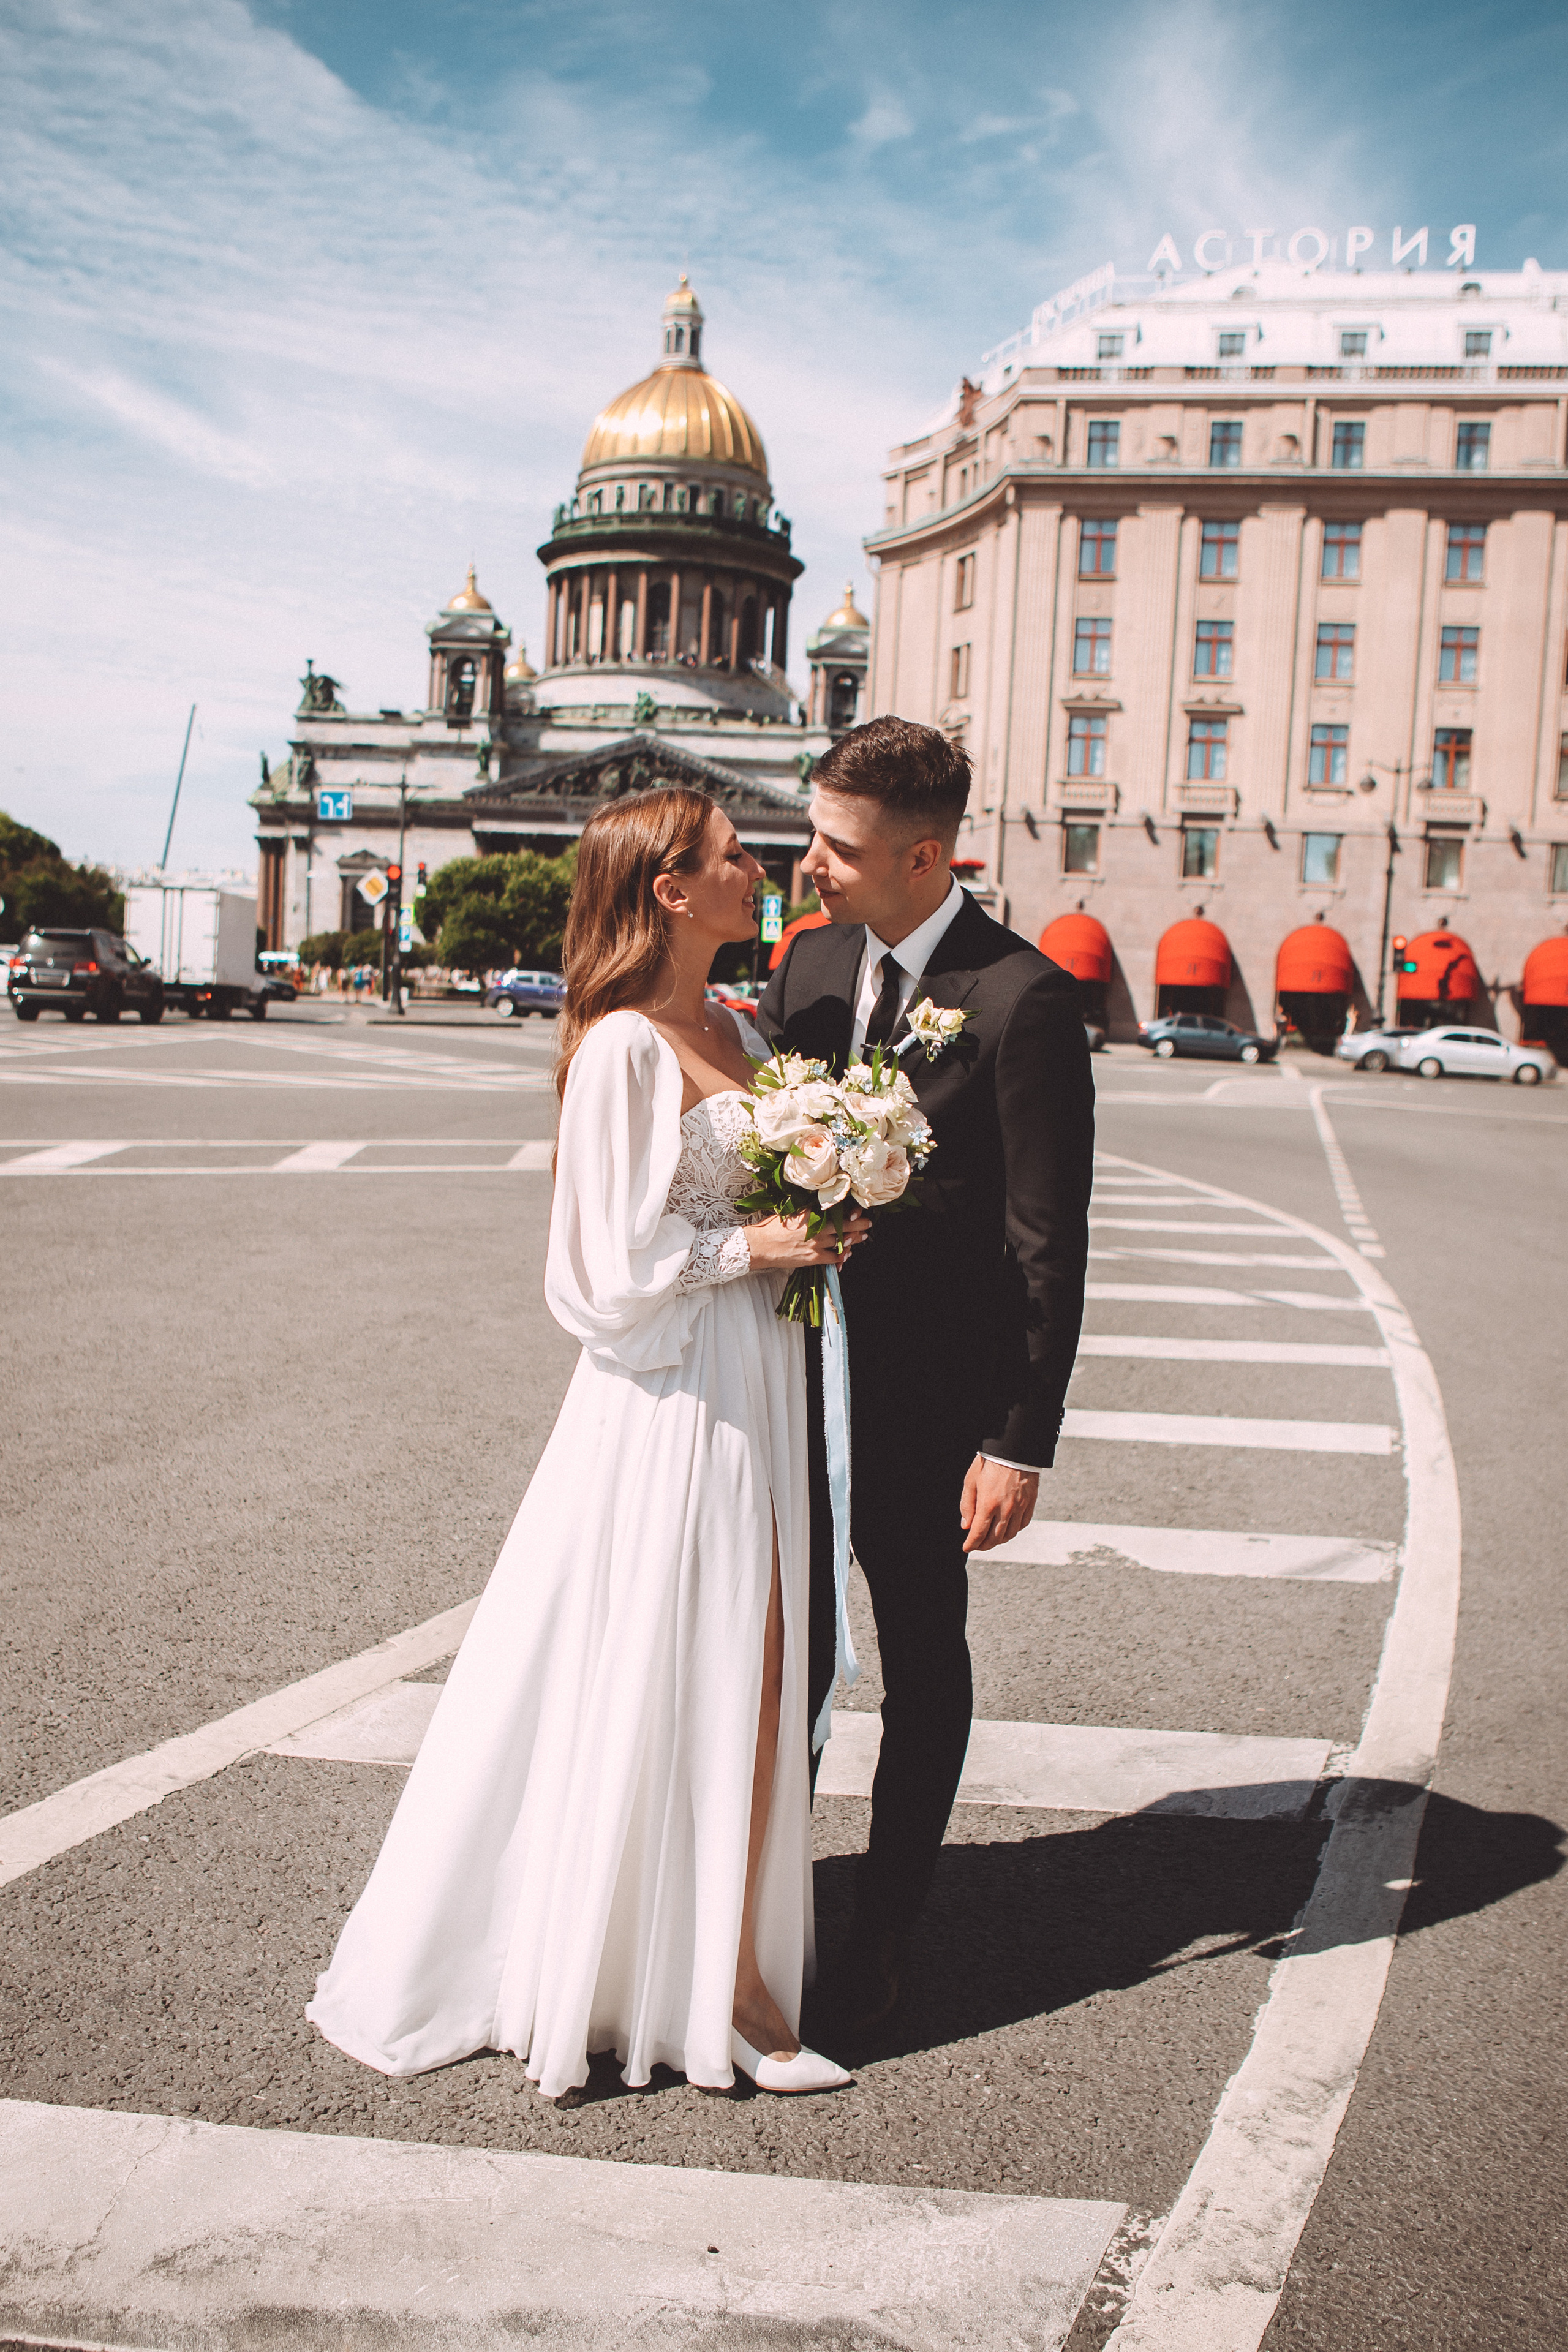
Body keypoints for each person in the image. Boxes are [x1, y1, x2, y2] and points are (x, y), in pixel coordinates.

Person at [308, 786, 867, 2100]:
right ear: (669, 890)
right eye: (734, 859)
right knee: (697, 1656)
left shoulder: (736, 1022)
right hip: (678, 1395)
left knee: (755, 1666)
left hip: (763, 1373)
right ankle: (697, 1990)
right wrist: (762, 1242)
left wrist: (835, 1194)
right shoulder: (621, 1048)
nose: (759, 871)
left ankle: (715, 1971)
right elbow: (599, 1270)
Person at [757, 716, 1094, 2037]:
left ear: (923, 852)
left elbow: (1042, 1239)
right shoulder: (810, 965)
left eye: (836, 847)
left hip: (922, 1410)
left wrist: (1018, 1440)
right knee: (776, 1649)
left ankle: (886, 1922)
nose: (812, 864)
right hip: (788, 1384)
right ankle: (760, 1893)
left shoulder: (1021, 997)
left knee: (919, 1657)